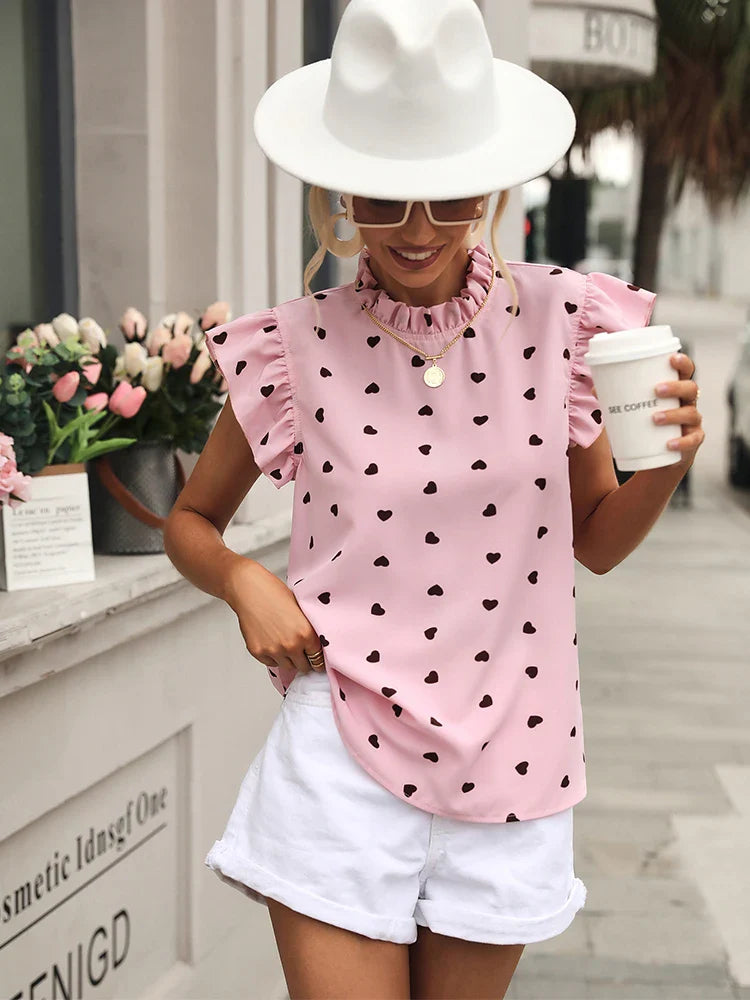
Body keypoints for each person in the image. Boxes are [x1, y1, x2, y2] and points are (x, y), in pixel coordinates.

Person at [164, 1, 705, 997]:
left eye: (449, 198)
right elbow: (189, 521)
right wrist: (244, 581)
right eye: (383, 198)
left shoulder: (565, 322)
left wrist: (668, 461)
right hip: (339, 743)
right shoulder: (292, 346)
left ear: (491, 183)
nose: (417, 231)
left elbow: (594, 544)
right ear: (340, 188)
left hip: (516, 747)